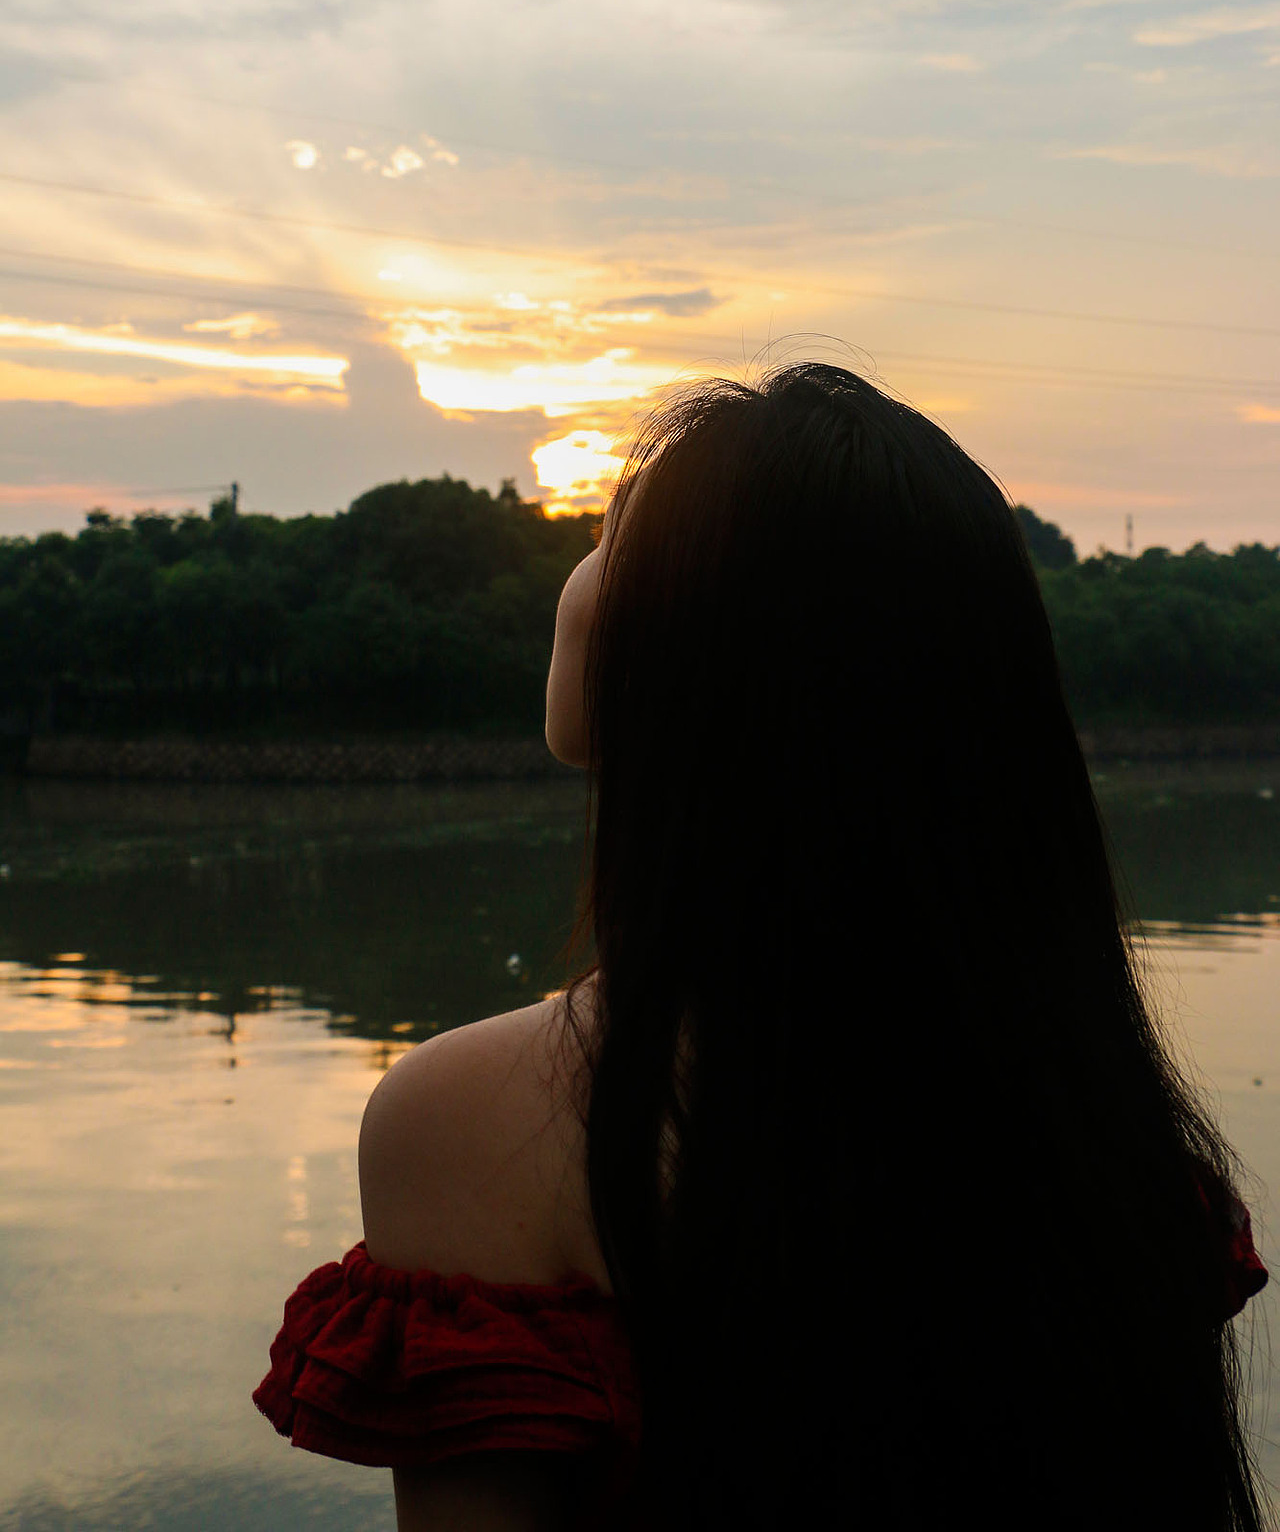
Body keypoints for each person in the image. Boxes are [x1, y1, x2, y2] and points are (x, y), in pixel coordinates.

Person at [254, 361, 1271, 1531]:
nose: (575, 573)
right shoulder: (1089, 1098)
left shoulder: (467, 1117)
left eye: (608, 539)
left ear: (700, 645)